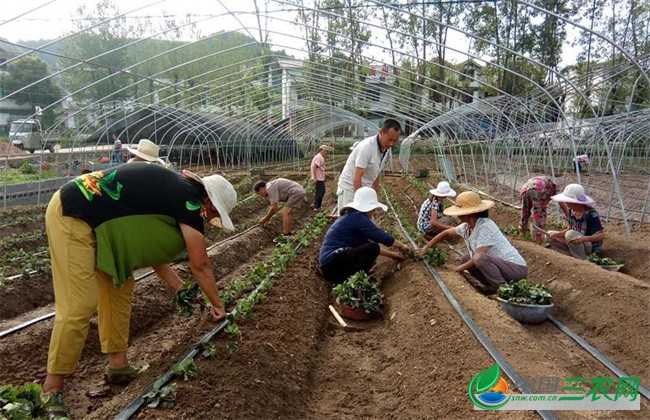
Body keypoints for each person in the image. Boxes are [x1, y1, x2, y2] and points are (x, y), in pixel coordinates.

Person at [40, 164, 237, 417]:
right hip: (73, 213)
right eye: (212, 213)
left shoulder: (175, 192)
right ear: (208, 201)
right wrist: (217, 305)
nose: (209, 219)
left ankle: (118, 366)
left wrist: (183, 289)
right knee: (80, 304)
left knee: (120, 286)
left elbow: (154, 256)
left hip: (101, 227)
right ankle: (51, 388)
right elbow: (201, 263)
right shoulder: (189, 200)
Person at [418, 191, 527, 293]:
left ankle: (504, 290)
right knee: (466, 258)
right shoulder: (466, 227)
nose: (458, 216)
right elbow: (446, 233)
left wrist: (458, 268)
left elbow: (480, 255)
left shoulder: (485, 226)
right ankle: (492, 287)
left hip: (516, 270)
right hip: (500, 267)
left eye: (460, 213)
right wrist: (426, 247)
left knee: (478, 258)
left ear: (467, 214)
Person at [319, 187, 412, 284]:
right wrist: (402, 245)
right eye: (373, 209)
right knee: (372, 248)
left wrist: (393, 255)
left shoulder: (351, 216)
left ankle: (354, 277)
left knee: (370, 247)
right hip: (333, 265)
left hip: (329, 267)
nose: (374, 212)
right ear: (368, 207)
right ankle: (355, 279)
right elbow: (379, 236)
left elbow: (366, 245)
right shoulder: (358, 217)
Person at [336, 119, 401, 211]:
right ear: (381, 132)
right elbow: (357, 177)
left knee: (364, 222)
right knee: (350, 221)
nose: (391, 144)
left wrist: (375, 198)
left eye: (395, 141)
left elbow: (376, 175)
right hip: (350, 190)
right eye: (389, 139)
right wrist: (360, 203)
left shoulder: (385, 149)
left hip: (365, 189)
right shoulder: (367, 147)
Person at [547, 183, 605, 259]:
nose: (565, 202)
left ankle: (582, 259)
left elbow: (601, 235)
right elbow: (571, 228)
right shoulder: (572, 212)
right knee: (549, 235)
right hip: (576, 243)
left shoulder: (591, 214)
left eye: (568, 201)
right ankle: (572, 257)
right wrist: (557, 234)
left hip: (589, 246)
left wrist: (584, 239)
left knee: (570, 234)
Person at [518, 176, 567, 245]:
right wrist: (568, 215)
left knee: (525, 210)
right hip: (537, 189)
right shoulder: (554, 189)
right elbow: (561, 203)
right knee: (539, 213)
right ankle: (539, 238)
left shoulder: (547, 182)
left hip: (525, 188)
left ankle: (522, 230)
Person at [310, 144, 334, 211]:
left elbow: (318, 167)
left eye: (327, 151)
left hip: (319, 177)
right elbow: (314, 166)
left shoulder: (319, 157)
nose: (326, 153)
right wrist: (314, 177)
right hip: (318, 178)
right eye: (325, 151)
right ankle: (317, 207)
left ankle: (314, 204)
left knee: (320, 192)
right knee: (321, 192)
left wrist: (324, 173)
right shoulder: (319, 158)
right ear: (321, 150)